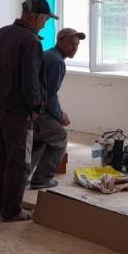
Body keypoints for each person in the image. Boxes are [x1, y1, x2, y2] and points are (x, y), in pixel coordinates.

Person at [0, 0, 57, 222]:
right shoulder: (31, 41)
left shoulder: (0, 33)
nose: (45, 24)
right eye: (46, 20)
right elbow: (31, 80)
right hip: (18, 112)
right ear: (38, 17)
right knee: (19, 160)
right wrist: (36, 107)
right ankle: (11, 211)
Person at [28, 28, 85, 190]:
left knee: (39, 141)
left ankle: (21, 178)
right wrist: (60, 116)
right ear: (59, 41)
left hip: (30, 110)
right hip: (39, 111)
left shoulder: (47, 55)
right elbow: (49, 95)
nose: (74, 48)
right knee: (59, 137)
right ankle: (42, 179)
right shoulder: (56, 61)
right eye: (70, 43)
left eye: (77, 45)